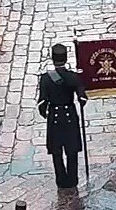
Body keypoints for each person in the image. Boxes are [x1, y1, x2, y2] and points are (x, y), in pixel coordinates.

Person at [37, 44, 87, 188]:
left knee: (56, 151)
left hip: (55, 116)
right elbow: (83, 98)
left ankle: (61, 180)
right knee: (72, 150)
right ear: (65, 59)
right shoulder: (73, 77)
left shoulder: (46, 78)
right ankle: (72, 179)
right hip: (70, 115)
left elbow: (42, 102)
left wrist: (45, 113)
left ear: (53, 59)